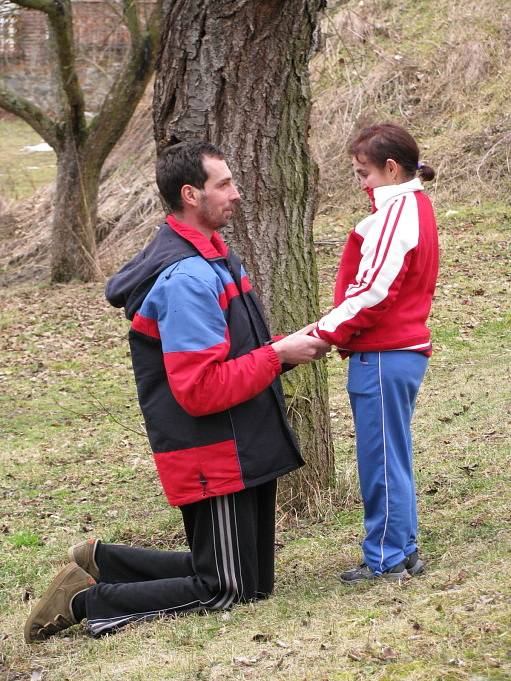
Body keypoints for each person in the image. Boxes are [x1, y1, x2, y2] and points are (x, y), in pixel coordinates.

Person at [24, 141, 330, 643]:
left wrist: (287, 346)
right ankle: (85, 599)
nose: (237, 193)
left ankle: (104, 560)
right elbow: (199, 390)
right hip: (216, 454)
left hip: (244, 444)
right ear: (191, 195)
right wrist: (279, 356)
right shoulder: (188, 277)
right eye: (224, 184)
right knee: (226, 590)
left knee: (250, 583)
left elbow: (230, 357)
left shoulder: (217, 259)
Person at [312, 123, 439, 583]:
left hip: (383, 353)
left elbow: (372, 292)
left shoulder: (396, 213)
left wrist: (324, 333)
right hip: (396, 351)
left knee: (380, 457)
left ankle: (385, 556)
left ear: (390, 168)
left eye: (363, 173)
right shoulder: (413, 206)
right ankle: (402, 548)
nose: (361, 183)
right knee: (392, 453)